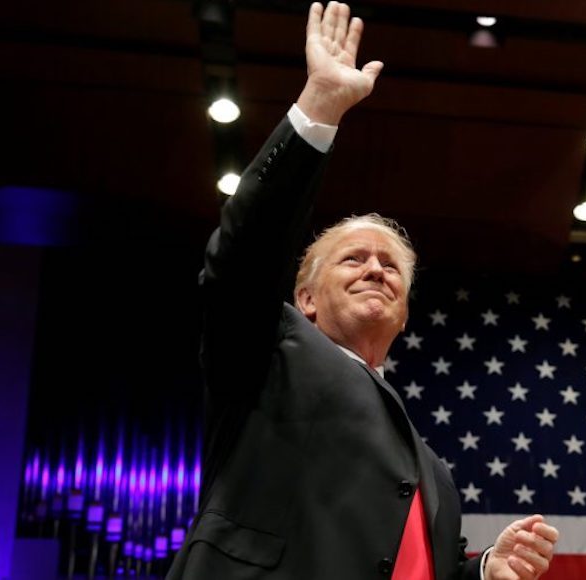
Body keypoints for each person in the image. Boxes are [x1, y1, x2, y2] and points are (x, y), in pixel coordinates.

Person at [166, 2, 559, 578]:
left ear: (402, 314)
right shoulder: (268, 352)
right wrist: (320, 105)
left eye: (391, 266)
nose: (377, 269)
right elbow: (242, 259)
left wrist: (484, 568)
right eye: (353, 259)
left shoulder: (434, 477)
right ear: (305, 300)